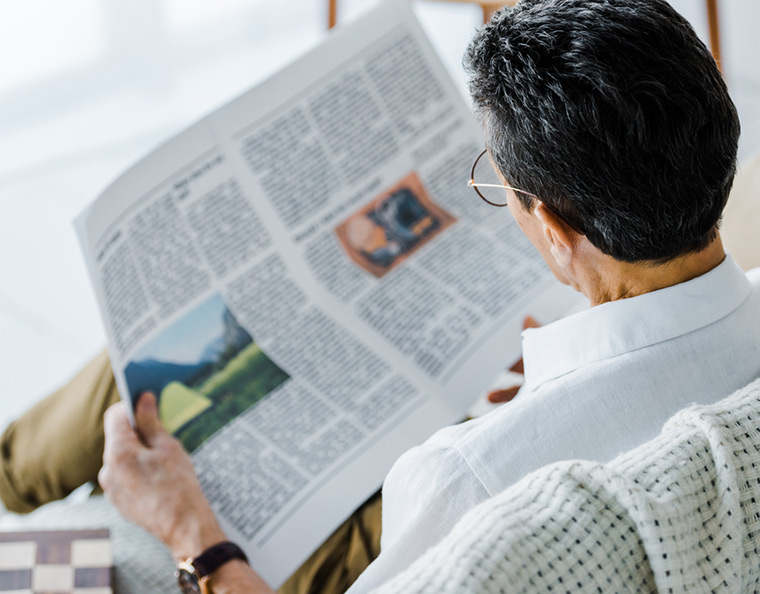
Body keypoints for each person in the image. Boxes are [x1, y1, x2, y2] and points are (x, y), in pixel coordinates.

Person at [3, 0, 760, 592]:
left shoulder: (464, 480)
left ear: (556, 229)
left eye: (502, 189)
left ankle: (16, 474)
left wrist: (189, 535)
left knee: (159, 357)